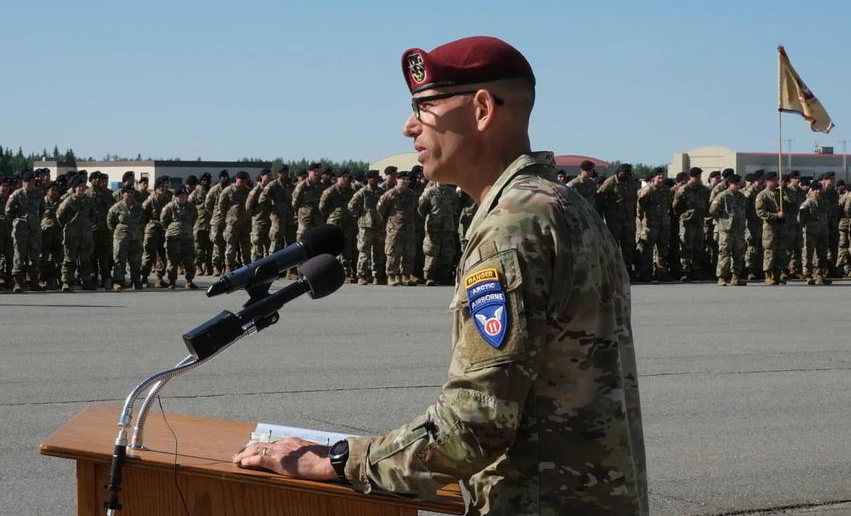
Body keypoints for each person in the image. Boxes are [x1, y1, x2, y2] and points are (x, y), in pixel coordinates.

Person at [233, 35, 648, 515]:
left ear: (481, 109)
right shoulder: (561, 204)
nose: (409, 126)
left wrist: (339, 460)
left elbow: (474, 424)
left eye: (425, 106)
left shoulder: (513, 225)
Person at [6, 170, 44, 292]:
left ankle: (34, 282)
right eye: (28, 182)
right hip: (20, 229)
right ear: (23, 182)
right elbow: (8, 211)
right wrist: (16, 221)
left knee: (34, 256)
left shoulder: (38, 193)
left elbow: (42, 209)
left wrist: (36, 220)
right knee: (19, 255)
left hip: (34, 229)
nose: (30, 184)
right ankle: (18, 283)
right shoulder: (17, 194)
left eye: (32, 182)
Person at [348, 169, 386, 285]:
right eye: (372, 177)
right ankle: (362, 275)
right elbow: (351, 206)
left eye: (376, 177)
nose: (374, 179)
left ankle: (377, 276)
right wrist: (360, 215)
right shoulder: (362, 192)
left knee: (379, 252)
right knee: (364, 252)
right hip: (366, 226)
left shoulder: (381, 191)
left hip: (379, 226)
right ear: (368, 179)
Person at [709, 174, 747, 286]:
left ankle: (735, 277)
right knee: (724, 254)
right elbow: (712, 210)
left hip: (739, 230)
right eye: (735, 183)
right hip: (726, 230)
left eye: (738, 183)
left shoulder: (741, 196)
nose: (737, 185)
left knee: (738, 255)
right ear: (729, 184)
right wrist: (722, 221)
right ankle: (721, 277)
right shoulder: (722, 196)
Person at [108, 184, 144, 291]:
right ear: (123, 194)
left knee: (135, 260)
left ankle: (136, 281)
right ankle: (118, 282)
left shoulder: (138, 206)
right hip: (121, 237)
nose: (130, 195)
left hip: (135, 237)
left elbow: (143, 220)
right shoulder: (117, 206)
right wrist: (118, 230)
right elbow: (110, 220)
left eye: (132, 193)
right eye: (127, 192)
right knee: (119, 259)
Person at [160, 187, 198, 289]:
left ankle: (189, 281)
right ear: (176, 197)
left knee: (189, 259)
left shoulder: (191, 207)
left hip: (187, 237)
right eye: (180, 196)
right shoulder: (169, 207)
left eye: (184, 195)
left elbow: (194, 218)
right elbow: (163, 221)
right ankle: (172, 281)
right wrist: (173, 229)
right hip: (173, 237)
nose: (182, 198)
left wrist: (187, 228)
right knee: (172, 260)